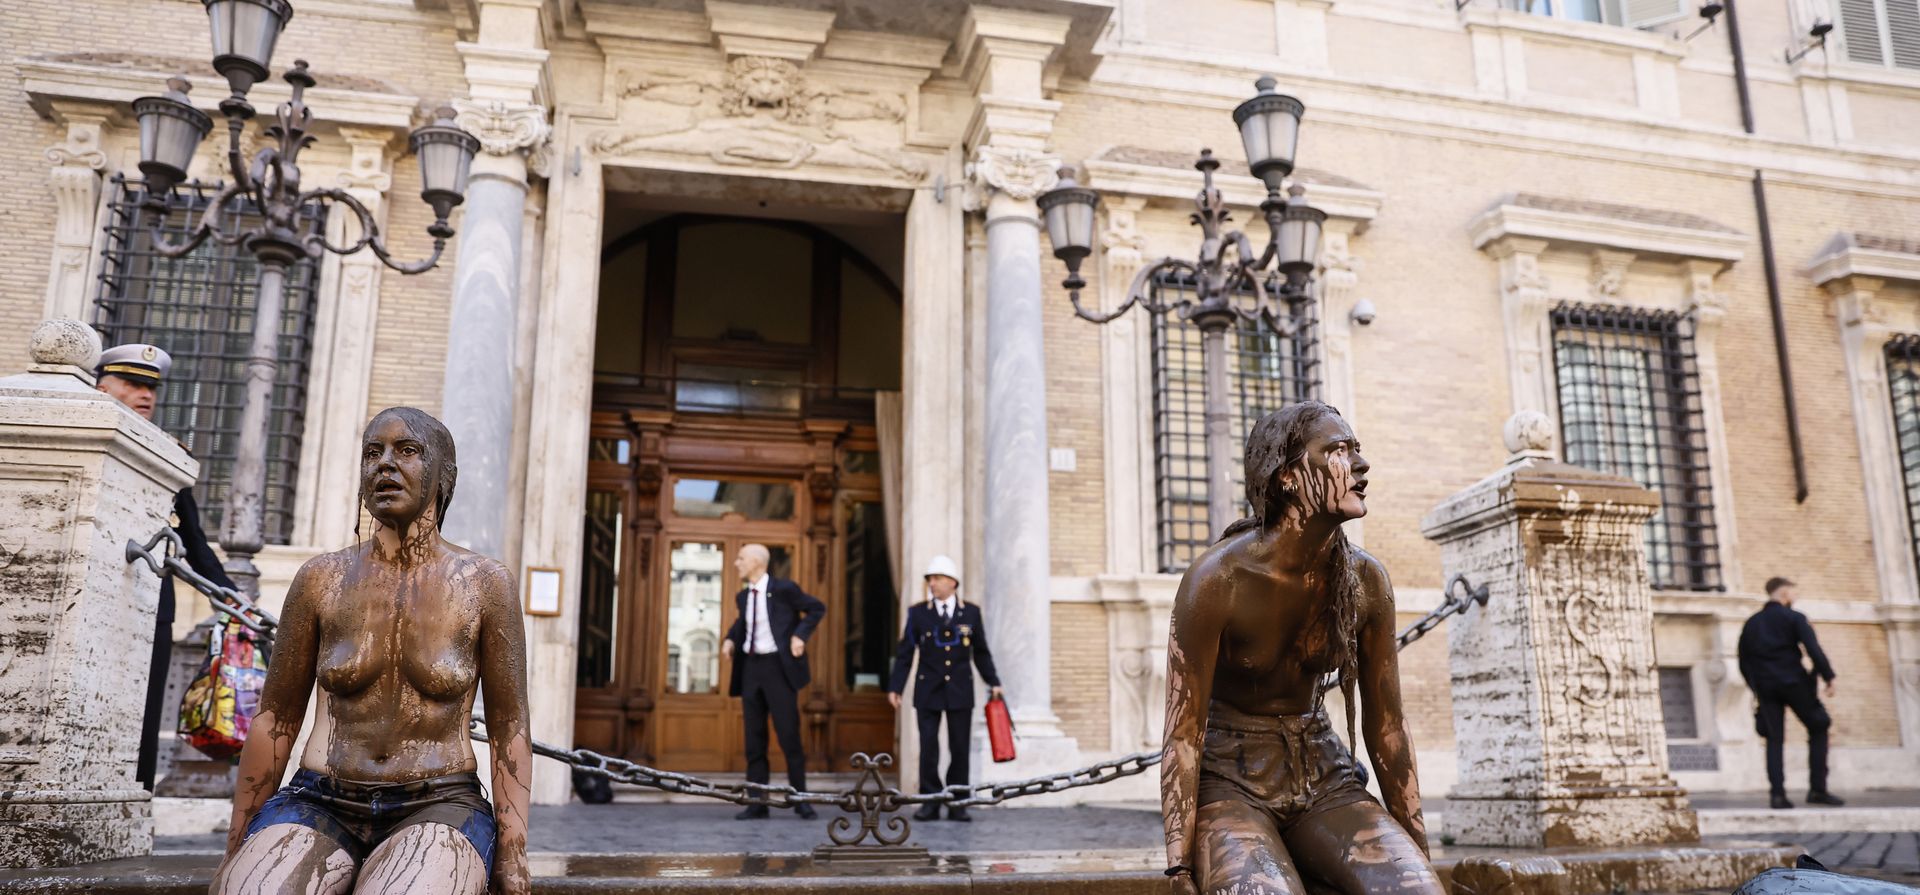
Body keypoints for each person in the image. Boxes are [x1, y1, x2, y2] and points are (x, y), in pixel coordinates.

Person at [210, 407, 532, 895]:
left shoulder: (485, 584)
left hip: (440, 803)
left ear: (445, 475)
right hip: (318, 800)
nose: (384, 464)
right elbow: (275, 719)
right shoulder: (321, 579)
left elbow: (510, 728)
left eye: (407, 451)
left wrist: (513, 856)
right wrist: (239, 843)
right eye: (372, 453)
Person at [1161, 401, 1441, 895]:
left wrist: (1418, 851)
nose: (1360, 464)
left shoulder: (1366, 579)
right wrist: (1179, 866)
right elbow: (1183, 733)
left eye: (1357, 449)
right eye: (1338, 450)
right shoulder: (1217, 580)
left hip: (1326, 777)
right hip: (1231, 782)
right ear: (1288, 476)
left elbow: (1388, 725)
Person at [94, 343, 239, 792]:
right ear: (102, 386)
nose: (145, 395)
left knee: (144, 707)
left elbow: (193, 540)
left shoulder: (167, 456)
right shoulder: (88, 440)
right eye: (133, 384)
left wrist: (232, 598)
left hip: (151, 601)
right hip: (87, 596)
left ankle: (135, 795)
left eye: (151, 387)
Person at [886, 554, 1003, 823]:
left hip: (960, 690)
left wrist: (994, 681)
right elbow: (906, 653)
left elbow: (981, 652)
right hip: (928, 690)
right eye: (930, 579)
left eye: (937, 579)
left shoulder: (970, 613)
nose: (932, 584)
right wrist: (896, 686)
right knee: (929, 748)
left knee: (959, 747)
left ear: (952, 582)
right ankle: (930, 801)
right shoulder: (918, 613)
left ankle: (957, 801)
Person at [721, 543, 826, 820]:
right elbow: (744, 622)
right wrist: (730, 639)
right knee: (754, 740)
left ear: (756, 561)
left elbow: (816, 608)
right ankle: (757, 803)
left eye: (741, 558)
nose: (737, 563)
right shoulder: (743, 597)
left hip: (778, 670)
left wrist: (799, 635)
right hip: (751, 670)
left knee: (789, 736)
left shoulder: (784, 589)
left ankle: (800, 800)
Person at [1738, 577, 1844, 810]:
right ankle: (1818, 789)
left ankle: (1777, 795)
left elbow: (1743, 661)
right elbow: (1813, 649)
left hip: (1765, 687)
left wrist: (1756, 688)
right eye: (1793, 593)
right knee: (1819, 725)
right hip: (1795, 683)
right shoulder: (1794, 618)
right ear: (1784, 593)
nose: (1794, 598)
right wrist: (1828, 676)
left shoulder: (1752, 623)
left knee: (1774, 739)